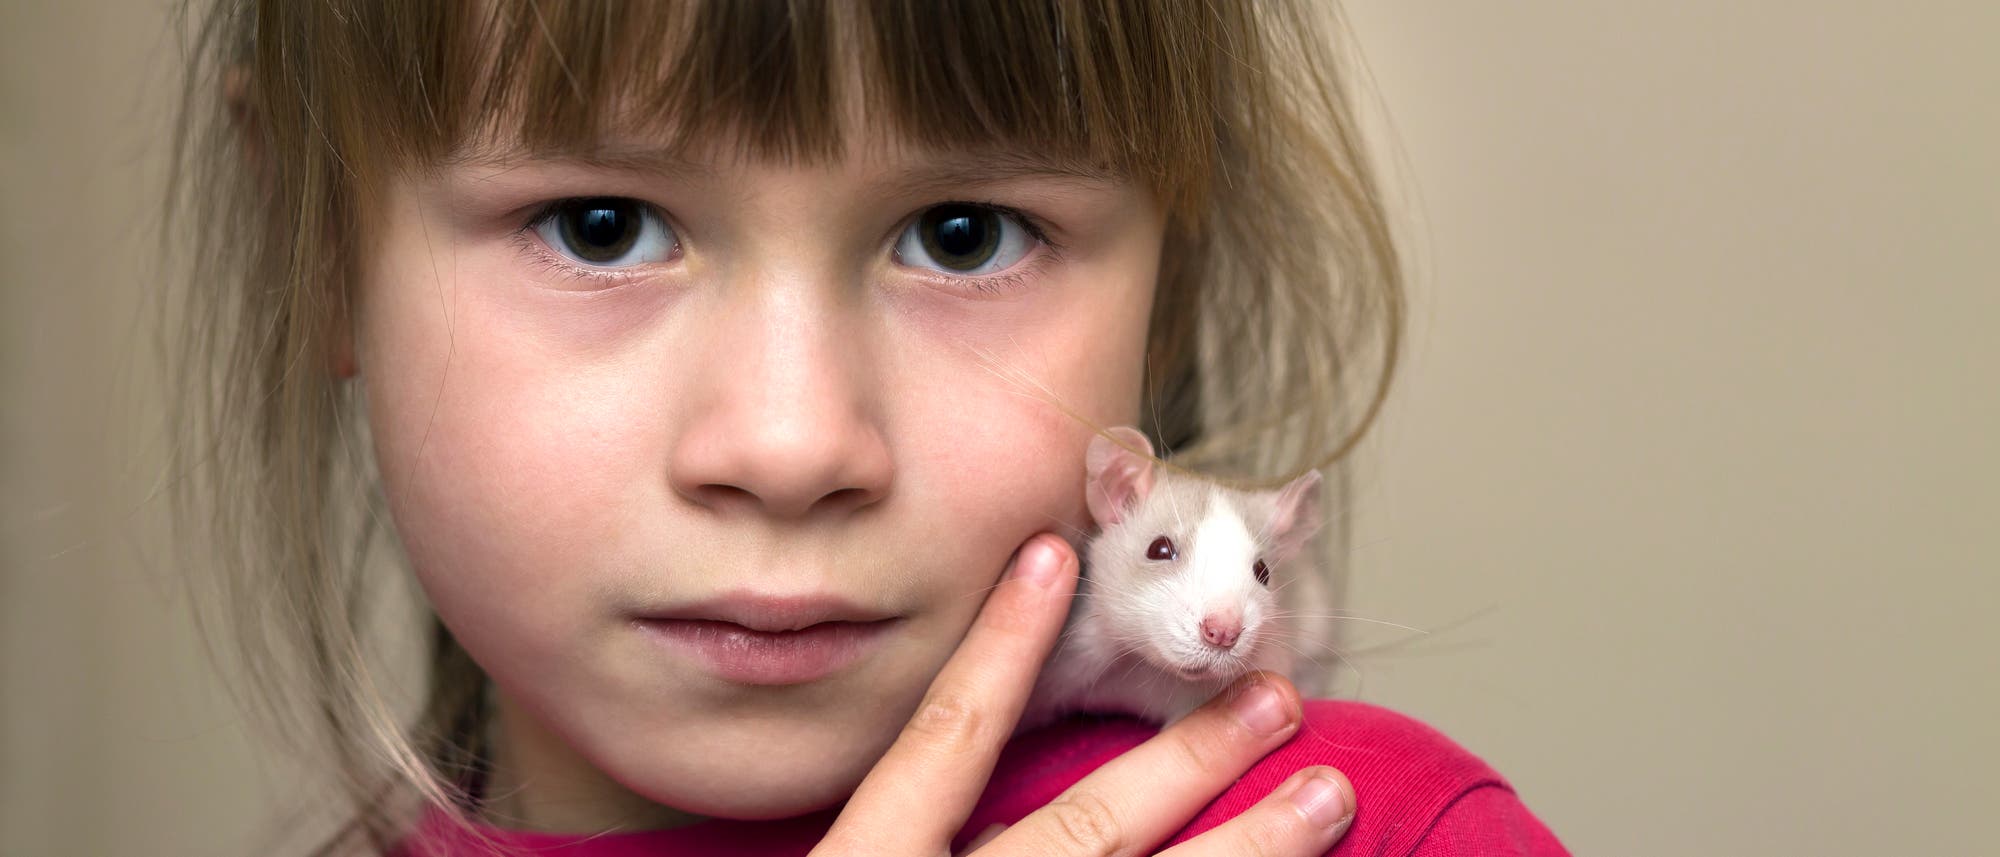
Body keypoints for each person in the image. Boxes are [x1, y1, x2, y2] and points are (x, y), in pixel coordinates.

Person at [163, 1, 1569, 855]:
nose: (790, 442)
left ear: (1172, 285)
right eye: (603, 224)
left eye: (963, 237)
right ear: (322, 250)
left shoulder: (1361, 835)